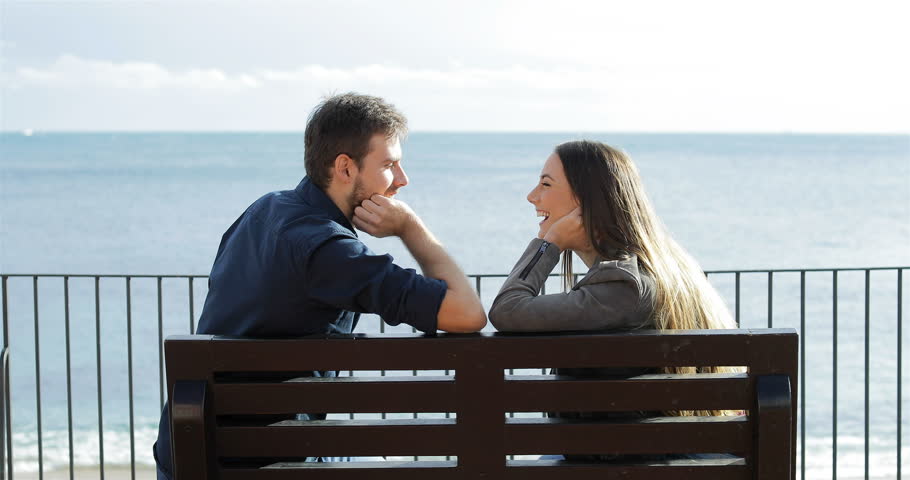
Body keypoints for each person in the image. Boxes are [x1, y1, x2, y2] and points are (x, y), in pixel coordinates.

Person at [153, 93, 486, 479]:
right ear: (345, 167)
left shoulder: (265, 209)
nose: (402, 180)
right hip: (274, 462)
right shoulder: (330, 253)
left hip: (190, 456)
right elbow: (468, 313)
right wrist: (410, 228)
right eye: (390, 164)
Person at [488, 139, 736, 461]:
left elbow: (508, 310)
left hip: (623, 465)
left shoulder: (624, 286)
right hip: (665, 459)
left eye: (546, 184)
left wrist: (549, 243)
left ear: (588, 200)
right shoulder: (674, 270)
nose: (532, 196)